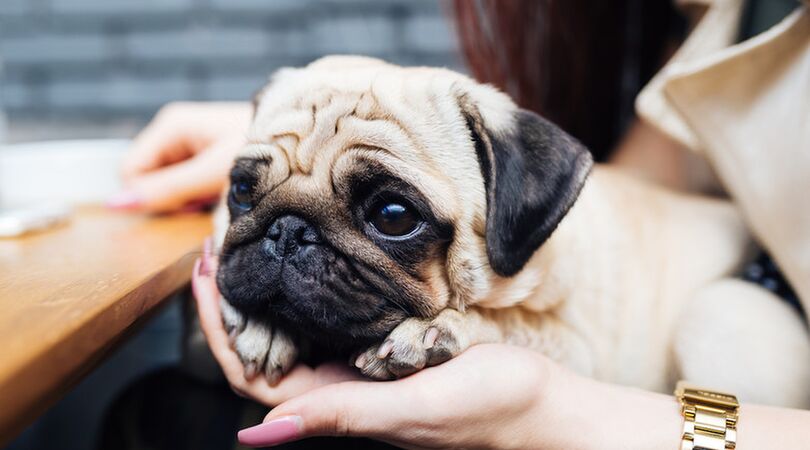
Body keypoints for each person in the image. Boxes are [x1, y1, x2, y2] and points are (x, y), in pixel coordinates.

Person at [116, 0, 810, 448]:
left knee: (727, 331)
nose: (293, 240)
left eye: (393, 216)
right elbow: (648, 173)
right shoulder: (736, 19)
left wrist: (539, 404)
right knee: (157, 409)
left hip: (710, 403)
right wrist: (303, 148)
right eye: (253, 191)